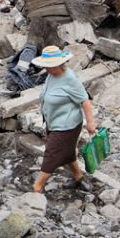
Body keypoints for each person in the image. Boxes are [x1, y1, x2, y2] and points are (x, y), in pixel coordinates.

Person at [31, 45, 96, 193]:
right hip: (53, 122)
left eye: (49, 66)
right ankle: (78, 177)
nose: (46, 69)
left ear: (59, 64)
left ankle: (38, 186)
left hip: (67, 126)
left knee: (52, 155)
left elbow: (85, 101)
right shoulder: (51, 75)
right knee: (67, 152)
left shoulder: (70, 79)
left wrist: (90, 123)